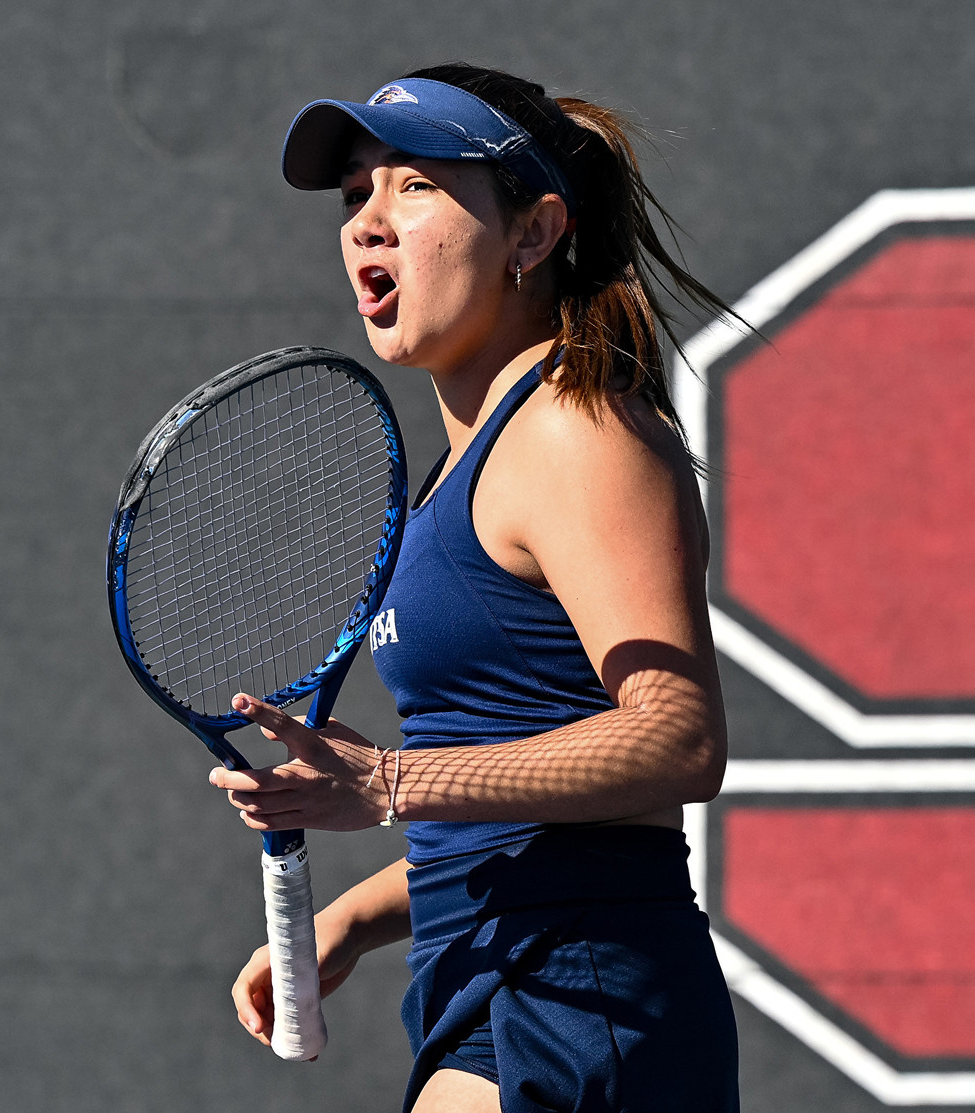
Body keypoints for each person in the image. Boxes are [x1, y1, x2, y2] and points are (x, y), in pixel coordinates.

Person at [211, 63, 742, 1113]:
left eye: (413, 186)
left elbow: (679, 738)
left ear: (534, 234)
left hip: (576, 995)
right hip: (500, 987)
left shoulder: (573, 427)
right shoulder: (471, 466)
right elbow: (527, 812)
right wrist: (358, 918)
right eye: (356, 190)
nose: (368, 220)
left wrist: (392, 785)